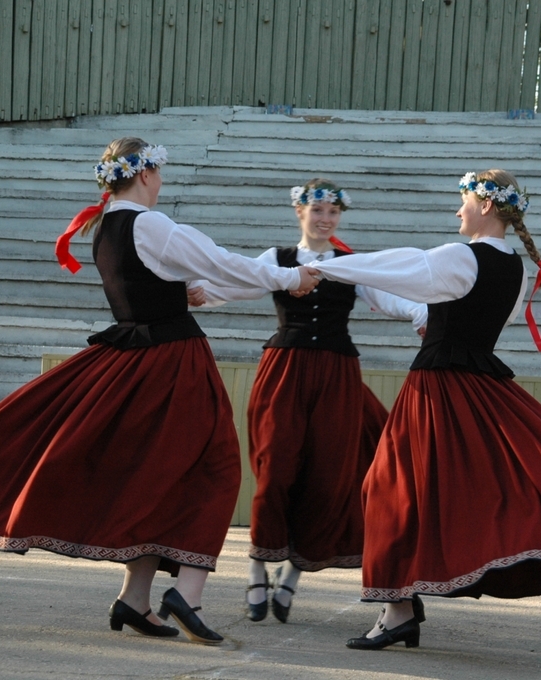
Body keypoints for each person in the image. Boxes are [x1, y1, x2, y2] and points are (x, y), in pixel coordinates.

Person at [0, 137, 319, 645]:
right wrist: (291, 275)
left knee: (156, 478)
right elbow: (220, 262)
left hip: (131, 360)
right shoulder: (151, 224)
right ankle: (185, 596)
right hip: (172, 365)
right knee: (214, 468)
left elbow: (164, 281)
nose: (162, 183)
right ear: (144, 174)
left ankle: (135, 601)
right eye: (159, 174)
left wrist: (192, 291)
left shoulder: (104, 228)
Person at [309, 169, 541, 650]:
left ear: (485, 206)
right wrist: (354, 277)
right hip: (480, 387)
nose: (457, 209)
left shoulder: (458, 256)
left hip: (437, 390)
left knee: (388, 487)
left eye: (463, 199)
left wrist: (325, 266)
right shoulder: (517, 268)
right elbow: (441, 307)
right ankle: (399, 608)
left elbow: (403, 268)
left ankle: (398, 610)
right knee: (436, 491)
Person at [193, 179, 426, 624]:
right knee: (275, 468)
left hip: (336, 374)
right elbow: (239, 282)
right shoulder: (276, 259)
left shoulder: (351, 264)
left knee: (326, 476)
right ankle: (257, 570)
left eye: (332, 213)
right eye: (317, 211)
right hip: (285, 369)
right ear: (300, 212)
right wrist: (201, 291)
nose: (325, 219)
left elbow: (390, 298)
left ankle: (293, 576)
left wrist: (422, 313)